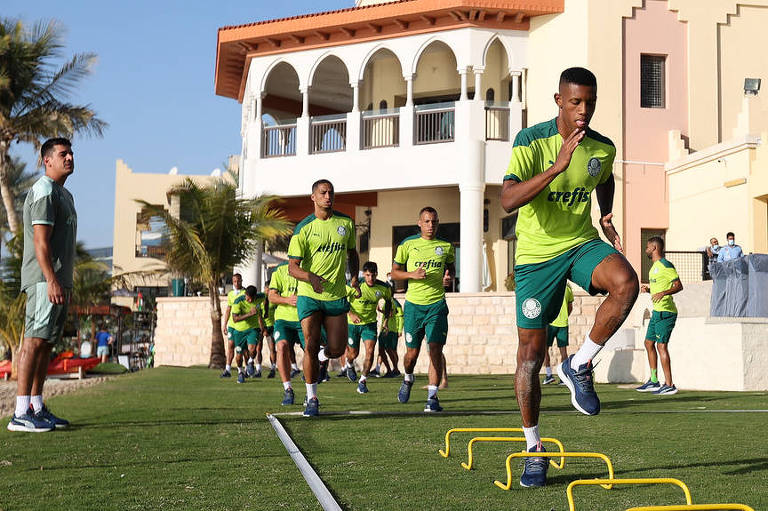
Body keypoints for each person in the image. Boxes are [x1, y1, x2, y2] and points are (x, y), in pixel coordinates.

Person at [500, 67, 639, 487]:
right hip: (536, 257)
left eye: (590, 102)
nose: (583, 110)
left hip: (579, 242)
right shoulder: (531, 140)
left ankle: (579, 365)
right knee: (530, 356)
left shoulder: (602, 147)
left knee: (627, 283)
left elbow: (604, 176)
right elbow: (507, 200)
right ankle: (534, 449)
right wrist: (557, 167)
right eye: (576, 102)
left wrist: (607, 213)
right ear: (559, 100)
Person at [8, 138, 77, 433]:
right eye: (63, 154)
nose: (70, 157)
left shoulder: (65, 194)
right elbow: (40, 242)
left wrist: (61, 281)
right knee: (34, 342)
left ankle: (36, 405)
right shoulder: (44, 190)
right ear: (47, 160)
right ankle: (20, 412)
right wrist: (50, 279)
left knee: (46, 344)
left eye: (71, 153)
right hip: (42, 281)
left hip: (59, 281)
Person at [288, 179, 360, 417]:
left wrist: (355, 278)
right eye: (323, 192)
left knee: (338, 349)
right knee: (309, 342)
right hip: (309, 294)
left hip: (336, 295)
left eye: (331, 192)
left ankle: (323, 355)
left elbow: (352, 253)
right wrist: (310, 277)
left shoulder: (345, 223)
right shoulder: (304, 228)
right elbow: (292, 268)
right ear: (313, 197)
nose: (328, 196)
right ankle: (312, 398)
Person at [390, 206, 455, 412]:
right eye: (426, 221)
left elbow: (450, 268)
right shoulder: (407, 245)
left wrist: (448, 276)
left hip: (436, 305)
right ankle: (408, 378)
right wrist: (411, 275)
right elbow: (394, 273)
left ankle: (432, 397)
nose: (430, 225)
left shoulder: (445, 246)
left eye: (434, 222)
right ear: (419, 223)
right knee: (412, 354)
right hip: (413, 307)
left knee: (435, 350)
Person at [636, 237, 682, 395]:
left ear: (654, 247)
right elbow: (660, 286)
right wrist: (649, 290)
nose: (646, 250)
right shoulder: (654, 267)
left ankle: (669, 384)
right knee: (648, 343)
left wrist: (663, 292)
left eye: (648, 247)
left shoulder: (665, 265)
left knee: (661, 346)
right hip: (657, 312)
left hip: (666, 312)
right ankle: (654, 381)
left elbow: (678, 285)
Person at [344, 262, 391, 394]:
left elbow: (388, 302)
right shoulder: (354, 285)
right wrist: (350, 314)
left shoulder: (383, 288)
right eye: (368, 275)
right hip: (352, 324)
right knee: (354, 353)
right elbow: (341, 299)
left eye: (373, 275)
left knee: (370, 351)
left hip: (369, 324)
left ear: (377, 274)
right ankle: (349, 363)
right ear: (364, 274)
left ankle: (363, 381)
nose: (371, 278)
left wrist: (386, 321)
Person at [268, 261, 304, 405]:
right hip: (283, 320)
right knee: (281, 347)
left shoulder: (308, 270)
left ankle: (310, 393)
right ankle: (288, 389)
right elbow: (271, 296)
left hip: (304, 319)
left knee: (311, 353)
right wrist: (287, 300)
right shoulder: (280, 271)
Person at [230, 286, 266, 384]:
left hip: (253, 329)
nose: (249, 300)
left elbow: (267, 297)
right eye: (247, 297)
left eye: (251, 298)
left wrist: (265, 311)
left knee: (253, 349)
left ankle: (250, 361)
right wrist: (250, 314)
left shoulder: (260, 297)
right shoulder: (238, 301)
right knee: (238, 356)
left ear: (255, 296)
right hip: (239, 331)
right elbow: (235, 319)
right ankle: (240, 372)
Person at [542, 284, 574, 385]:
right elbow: (570, 308)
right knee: (563, 351)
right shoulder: (568, 289)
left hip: (550, 324)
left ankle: (549, 375)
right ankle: (563, 378)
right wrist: (564, 317)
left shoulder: (550, 287)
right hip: (563, 324)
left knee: (545, 349)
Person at [220, 273, 245, 378]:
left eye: (238, 281)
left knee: (240, 349)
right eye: (234, 281)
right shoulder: (231, 294)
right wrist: (225, 324)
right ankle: (228, 370)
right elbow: (228, 309)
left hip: (242, 325)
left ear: (241, 281)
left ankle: (241, 370)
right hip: (232, 325)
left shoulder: (245, 292)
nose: (236, 283)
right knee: (230, 346)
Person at [253, 283, 277, 378]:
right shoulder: (259, 300)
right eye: (266, 288)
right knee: (258, 349)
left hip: (271, 326)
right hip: (260, 327)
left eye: (269, 289)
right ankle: (258, 370)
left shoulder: (273, 300)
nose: (267, 291)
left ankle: (273, 369)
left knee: (272, 348)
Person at [375, 296, 403, 378]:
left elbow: (392, 314)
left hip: (390, 329)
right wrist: (380, 310)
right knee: (382, 350)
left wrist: (399, 329)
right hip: (385, 329)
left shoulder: (393, 302)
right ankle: (387, 370)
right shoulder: (387, 301)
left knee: (390, 350)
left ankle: (395, 369)